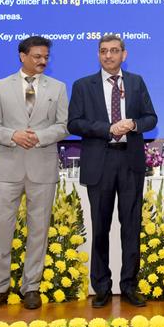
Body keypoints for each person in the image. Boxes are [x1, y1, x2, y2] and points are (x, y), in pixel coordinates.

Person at [67, 34, 157, 308]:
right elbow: (74, 123)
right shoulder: (83, 85)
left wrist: (133, 125)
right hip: (100, 162)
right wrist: (107, 128)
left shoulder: (136, 82)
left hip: (130, 162)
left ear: (123, 55)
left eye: (114, 50)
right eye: (104, 51)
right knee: (100, 228)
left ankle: (129, 285)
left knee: (131, 226)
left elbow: (151, 118)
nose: (108, 55)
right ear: (98, 55)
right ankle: (102, 287)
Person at [0, 35, 69, 310]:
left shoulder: (58, 87)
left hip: (42, 168)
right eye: (37, 56)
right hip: (8, 168)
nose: (43, 61)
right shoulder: (0, 86)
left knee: (38, 232)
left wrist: (39, 137)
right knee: (2, 230)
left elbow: (64, 126)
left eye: (46, 57)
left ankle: (31, 287)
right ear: (23, 56)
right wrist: (13, 135)